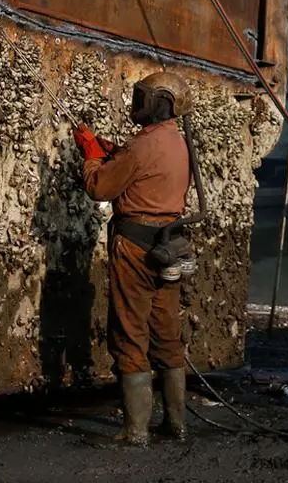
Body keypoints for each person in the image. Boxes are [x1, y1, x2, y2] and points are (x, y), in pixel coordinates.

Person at [72, 71, 193, 447]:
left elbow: (100, 187)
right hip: (168, 248)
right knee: (167, 336)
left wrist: (92, 155)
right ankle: (176, 424)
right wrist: (115, 152)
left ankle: (136, 431)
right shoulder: (177, 142)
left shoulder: (142, 146)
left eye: (142, 97)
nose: (136, 104)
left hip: (135, 251)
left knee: (129, 334)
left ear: (159, 102)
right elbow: (144, 169)